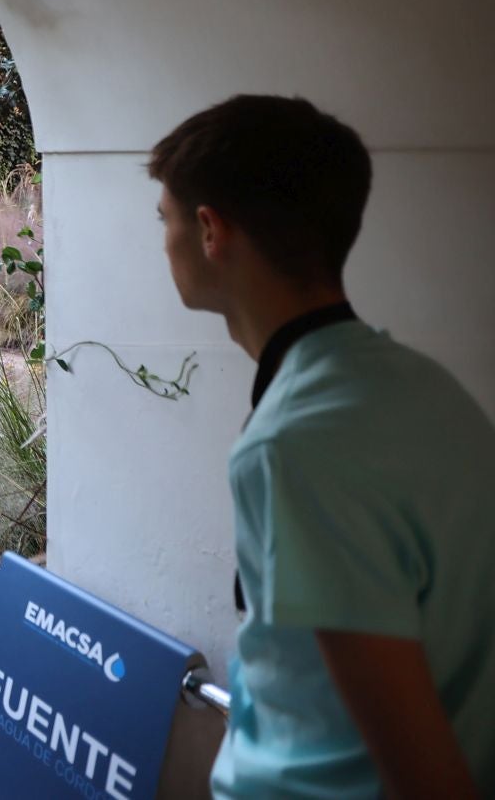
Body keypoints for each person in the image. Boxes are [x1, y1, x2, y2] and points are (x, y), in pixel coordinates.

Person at [149, 95, 495, 799]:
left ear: (211, 229)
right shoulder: (431, 392)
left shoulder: (295, 445)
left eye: (166, 218)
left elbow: (423, 773)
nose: (164, 240)